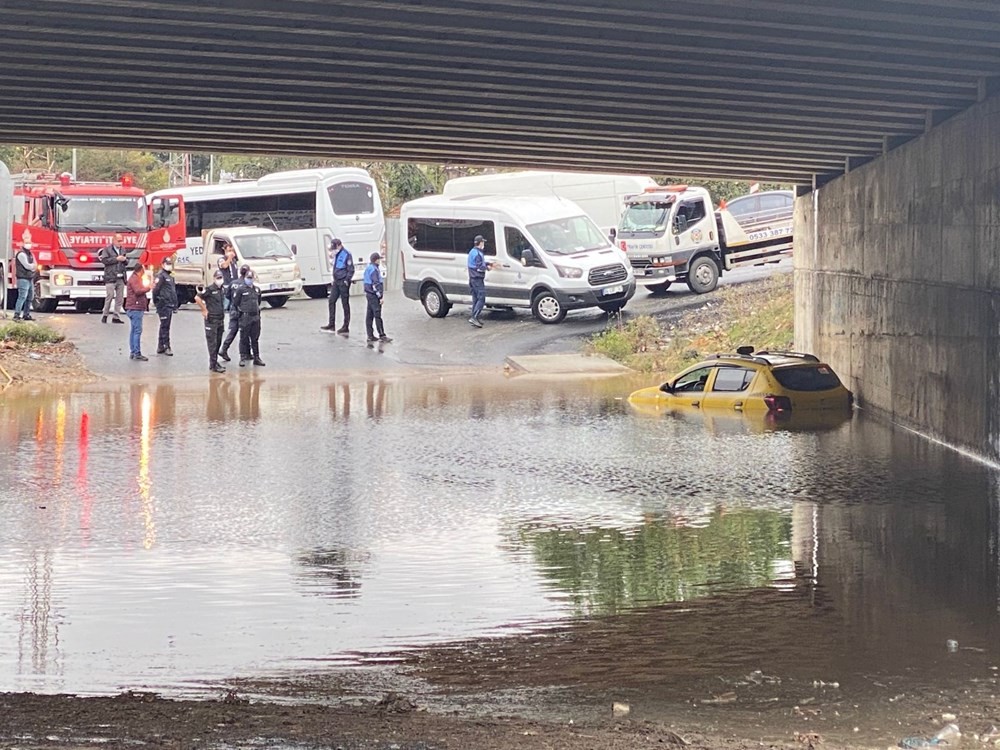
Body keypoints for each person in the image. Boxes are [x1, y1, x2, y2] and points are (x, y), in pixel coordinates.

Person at [195, 270, 228, 373]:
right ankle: (213, 365)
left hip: (220, 319)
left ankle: (214, 362)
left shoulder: (222, 289)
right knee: (212, 343)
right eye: (218, 278)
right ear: (214, 279)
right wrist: (204, 309)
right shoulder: (209, 289)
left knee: (218, 342)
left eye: (221, 278)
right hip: (211, 320)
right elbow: (197, 298)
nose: (220, 280)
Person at [231, 267, 265, 367]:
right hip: (245, 317)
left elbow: (258, 301)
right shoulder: (240, 289)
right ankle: (243, 357)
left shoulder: (257, 290)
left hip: (255, 317)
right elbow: (236, 302)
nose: (249, 279)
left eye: (251, 278)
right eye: (248, 277)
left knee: (255, 338)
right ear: (245, 277)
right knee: (243, 338)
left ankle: (256, 357)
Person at [320, 238, 354, 335]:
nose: (334, 249)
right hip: (336, 281)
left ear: (340, 245)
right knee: (331, 301)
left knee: (345, 304)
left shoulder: (347, 254)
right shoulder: (336, 254)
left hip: (343, 281)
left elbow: (351, 269)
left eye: (335, 247)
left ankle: (346, 326)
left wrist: (347, 280)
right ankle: (331, 324)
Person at [99, 232, 128, 324]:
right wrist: (116, 259)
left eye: (121, 241)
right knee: (110, 296)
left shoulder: (123, 250)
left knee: (120, 298)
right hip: (110, 277)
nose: (120, 243)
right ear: (114, 240)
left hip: (121, 277)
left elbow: (126, 261)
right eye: (119, 241)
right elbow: (104, 260)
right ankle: (105, 315)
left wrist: (125, 260)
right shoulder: (107, 250)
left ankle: (116, 316)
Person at [151, 258, 178, 356]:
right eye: (167, 264)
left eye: (170, 264)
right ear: (162, 264)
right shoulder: (161, 276)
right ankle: (166, 346)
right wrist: (156, 301)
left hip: (169, 304)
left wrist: (175, 304)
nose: (169, 265)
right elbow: (155, 290)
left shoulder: (170, 276)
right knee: (165, 326)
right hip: (163, 304)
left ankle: (160, 345)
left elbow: (173, 291)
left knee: (164, 325)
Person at [467, 234, 495, 328]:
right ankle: (474, 318)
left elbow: (476, 263)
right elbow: (479, 267)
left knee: (475, 299)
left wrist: (487, 263)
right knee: (481, 298)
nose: (484, 244)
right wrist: (487, 267)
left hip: (472, 279)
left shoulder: (472, 251)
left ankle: (474, 317)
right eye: (483, 242)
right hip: (477, 279)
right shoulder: (478, 253)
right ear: (480, 243)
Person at [124, 263, 151, 361]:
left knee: (133, 330)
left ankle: (133, 351)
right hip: (136, 307)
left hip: (132, 307)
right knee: (137, 331)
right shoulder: (135, 279)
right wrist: (149, 287)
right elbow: (138, 291)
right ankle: (137, 352)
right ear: (140, 270)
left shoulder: (133, 278)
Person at [218, 260, 243, 363]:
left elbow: (227, 296)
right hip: (242, 311)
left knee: (232, 331)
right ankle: (245, 354)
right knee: (246, 332)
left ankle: (224, 348)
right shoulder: (245, 285)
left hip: (233, 309)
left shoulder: (233, 283)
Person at [363, 252, 391, 344]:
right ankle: (382, 335)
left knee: (369, 315)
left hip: (369, 294)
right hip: (374, 295)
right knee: (377, 315)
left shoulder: (368, 268)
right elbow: (376, 284)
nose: (380, 260)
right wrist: (380, 297)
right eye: (379, 259)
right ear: (376, 260)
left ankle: (370, 335)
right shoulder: (374, 270)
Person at [12, 240, 36, 322]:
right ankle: (17, 314)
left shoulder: (30, 254)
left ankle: (26, 314)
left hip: (29, 278)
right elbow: (27, 266)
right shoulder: (21, 254)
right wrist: (33, 266)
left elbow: (35, 265)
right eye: (27, 243)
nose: (29, 244)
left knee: (30, 297)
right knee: (22, 297)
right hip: (23, 278)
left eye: (30, 243)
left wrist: (33, 266)